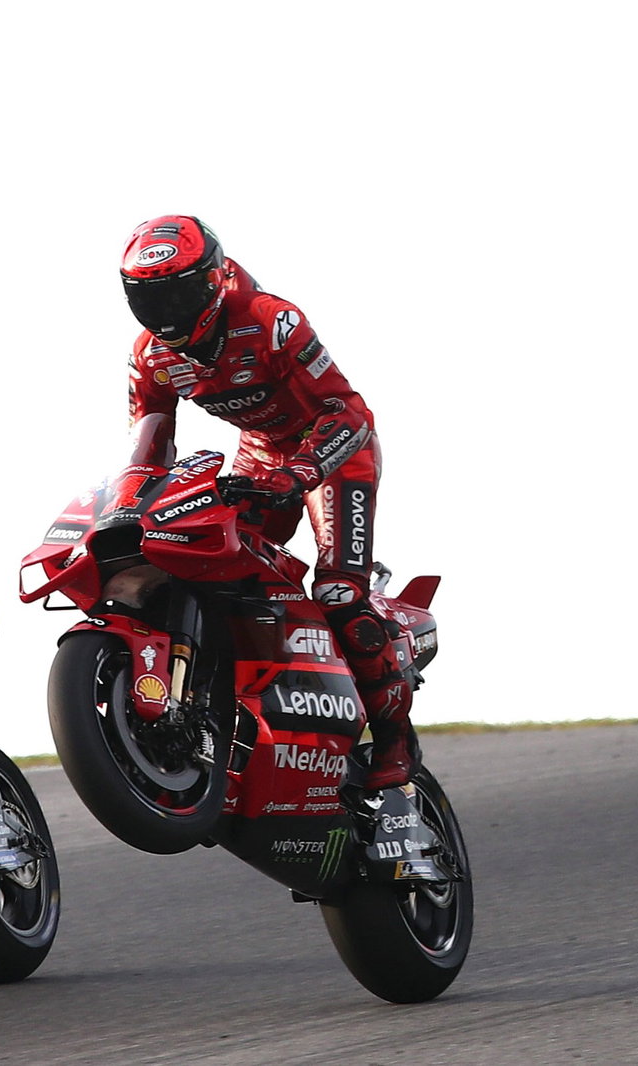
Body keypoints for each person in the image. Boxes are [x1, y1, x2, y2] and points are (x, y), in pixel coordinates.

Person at [117, 215, 416, 789]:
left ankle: (395, 734)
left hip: (331, 453)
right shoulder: (149, 356)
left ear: (214, 277)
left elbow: (350, 415)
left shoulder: (272, 321)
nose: (169, 311)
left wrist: (302, 471)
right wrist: (133, 501)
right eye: (151, 297)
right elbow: (149, 440)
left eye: (180, 291)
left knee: (336, 593)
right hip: (259, 457)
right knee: (204, 555)